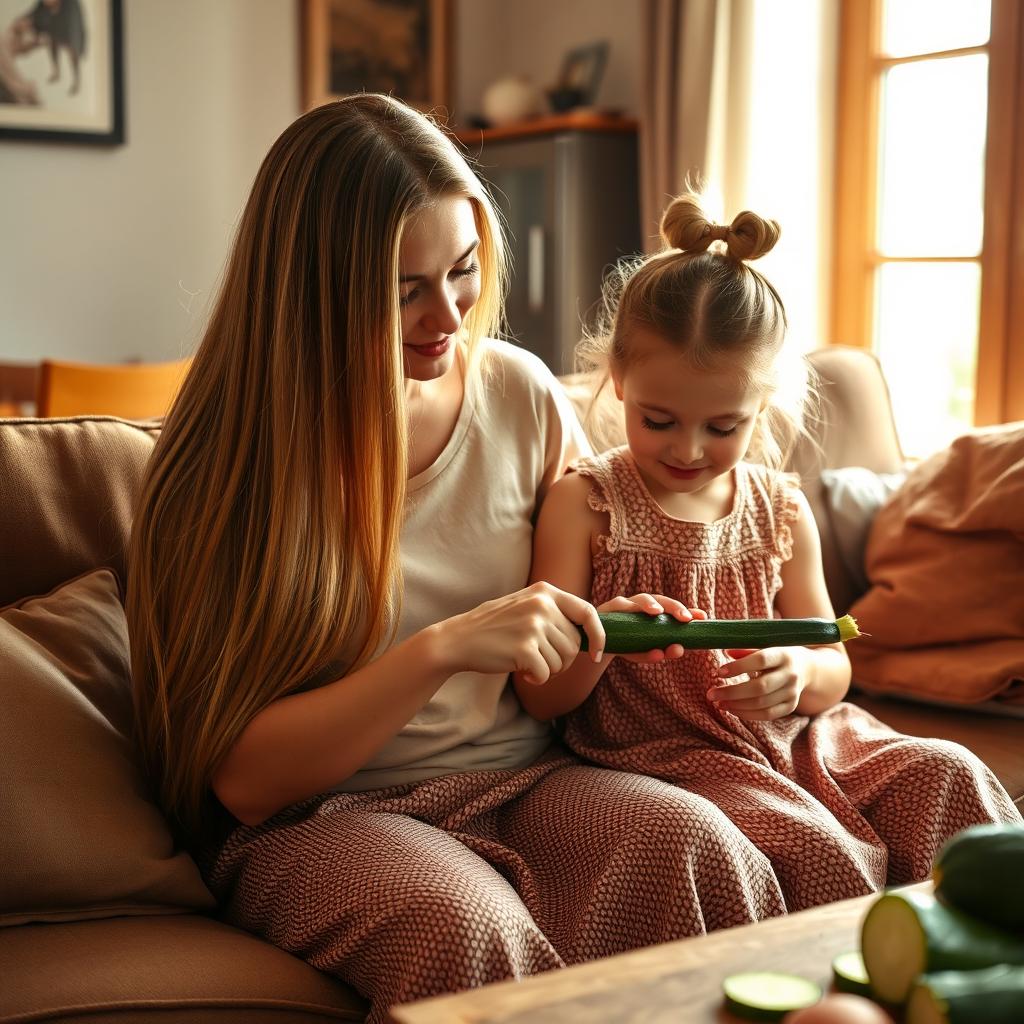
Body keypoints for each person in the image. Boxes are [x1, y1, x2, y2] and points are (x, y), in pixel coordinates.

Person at [126, 98, 789, 1024]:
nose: (448, 314)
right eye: (405, 287)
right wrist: (439, 649)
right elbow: (242, 780)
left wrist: (608, 628)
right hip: (323, 817)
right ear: (312, 286)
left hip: (530, 773)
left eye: (464, 270)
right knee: (462, 930)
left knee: (696, 845)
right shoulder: (226, 469)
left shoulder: (517, 396)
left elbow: (565, 638)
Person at [516, 192, 1022, 912]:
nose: (688, 449)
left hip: (806, 739)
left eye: (723, 426)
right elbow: (542, 697)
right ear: (619, 381)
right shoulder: (585, 503)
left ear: (765, 404)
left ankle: (986, 976)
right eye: (658, 420)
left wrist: (800, 672)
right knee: (808, 842)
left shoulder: (781, 507)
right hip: (666, 759)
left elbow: (834, 659)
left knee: (950, 771)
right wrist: (602, 638)